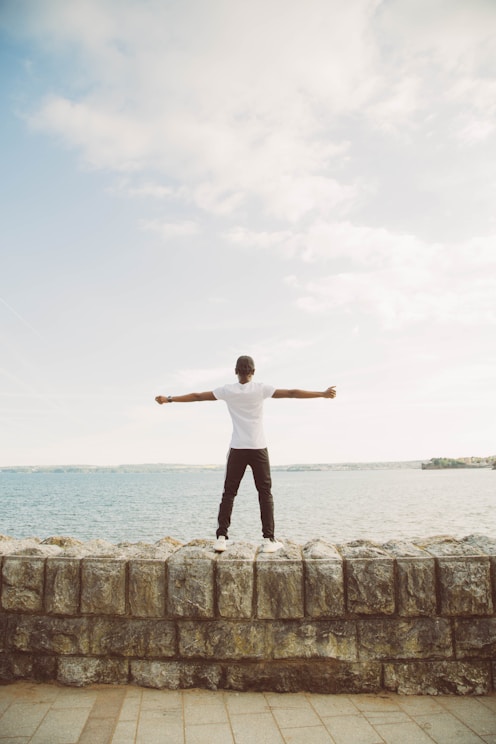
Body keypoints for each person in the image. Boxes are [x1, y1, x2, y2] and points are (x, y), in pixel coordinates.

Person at [155, 355, 336, 553]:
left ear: (235, 371)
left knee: (229, 493)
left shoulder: (228, 390)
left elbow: (198, 396)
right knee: (264, 493)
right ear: (253, 371)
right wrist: (323, 394)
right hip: (258, 448)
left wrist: (169, 399)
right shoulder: (261, 388)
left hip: (237, 448)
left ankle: (221, 538)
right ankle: (269, 540)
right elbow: (292, 393)